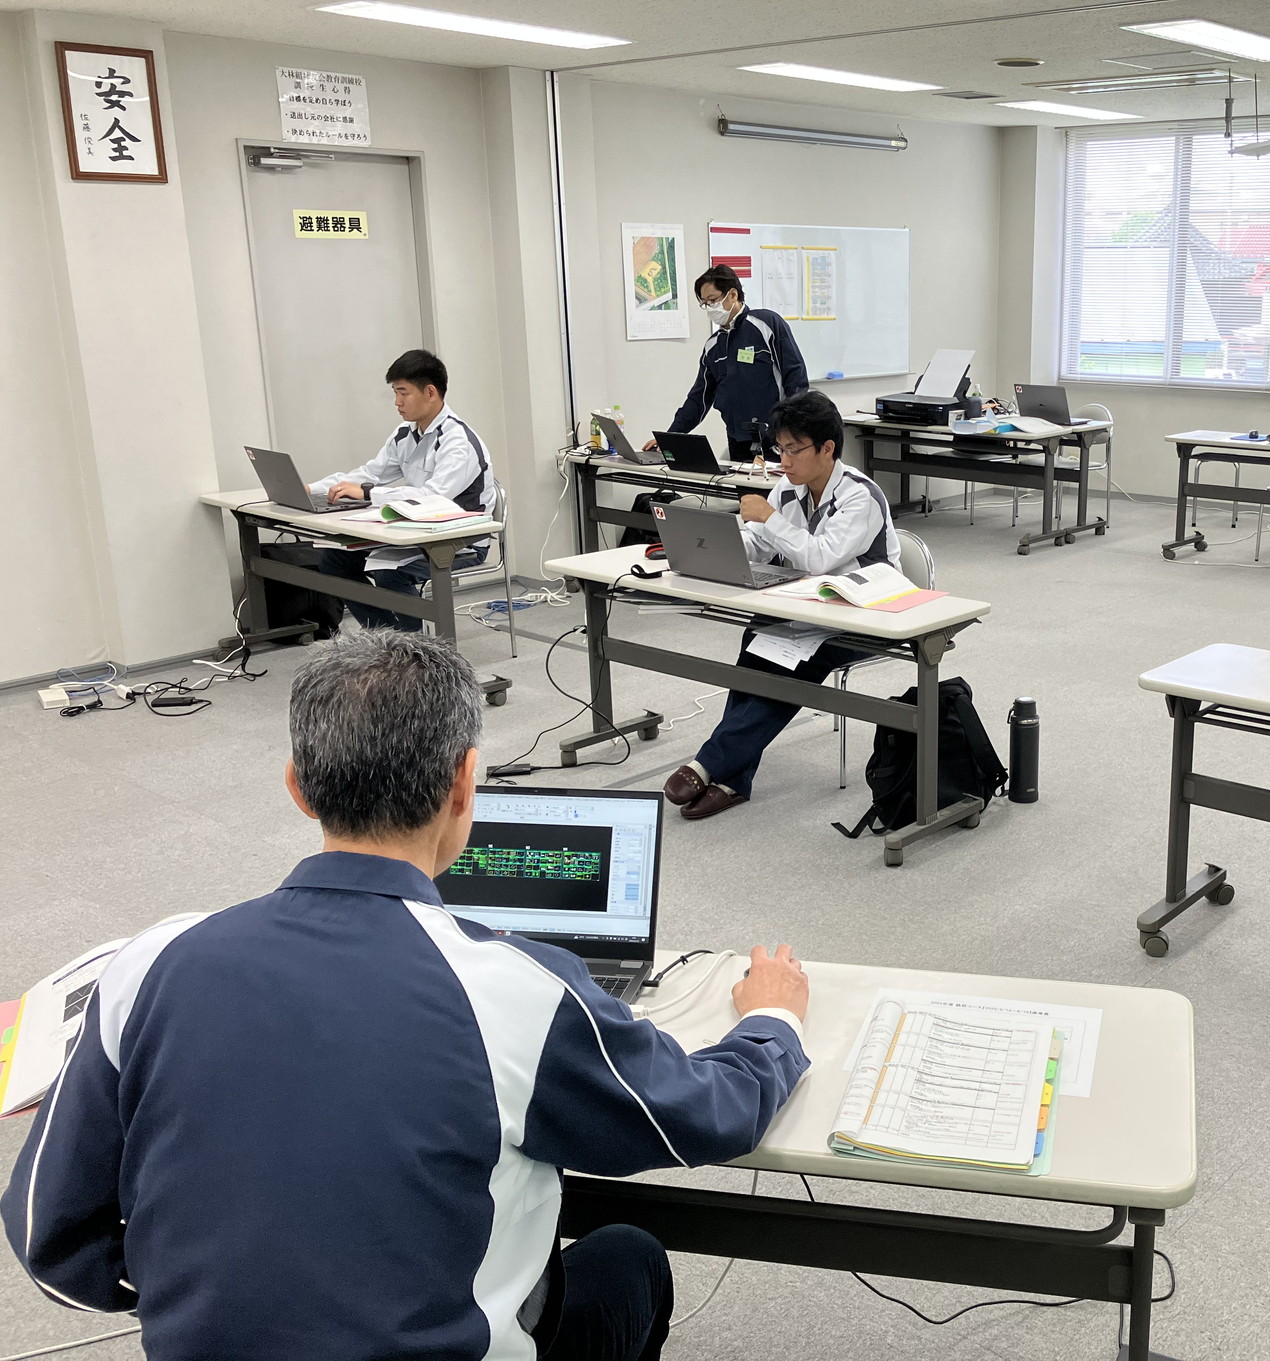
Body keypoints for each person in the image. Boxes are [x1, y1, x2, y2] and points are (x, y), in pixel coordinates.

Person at [2, 632, 810, 1360]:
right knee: (629, 1258)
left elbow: (48, 1234)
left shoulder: (145, 964)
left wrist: (201, 1301)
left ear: (297, 787)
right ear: (464, 783)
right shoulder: (517, 991)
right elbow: (709, 1114)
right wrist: (771, 1016)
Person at [663, 390, 900, 820]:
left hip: (864, 615)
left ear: (827, 448)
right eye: (780, 449)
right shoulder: (789, 489)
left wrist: (768, 518)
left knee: (796, 665)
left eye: (794, 449)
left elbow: (820, 557)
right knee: (756, 640)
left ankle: (710, 764)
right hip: (808, 607)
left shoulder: (859, 496)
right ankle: (734, 778)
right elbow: (759, 543)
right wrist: (714, 545)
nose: (784, 461)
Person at [312, 349, 498, 631]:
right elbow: (370, 473)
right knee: (335, 560)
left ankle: (412, 649)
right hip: (414, 533)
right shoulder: (405, 434)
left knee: (390, 572)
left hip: (459, 540)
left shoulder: (458, 442)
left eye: (403, 393)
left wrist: (367, 493)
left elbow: (433, 498)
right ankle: (386, 637)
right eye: (395, 393)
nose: (397, 402)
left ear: (430, 392)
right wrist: (312, 488)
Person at [643, 265, 808, 461]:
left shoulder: (766, 324)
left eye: (713, 300)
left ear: (732, 295)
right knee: (740, 483)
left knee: (778, 482)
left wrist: (790, 430)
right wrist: (670, 437)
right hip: (737, 439)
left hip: (776, 438)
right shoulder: (713, 346)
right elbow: (698, 398)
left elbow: (796, 377)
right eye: (705, 303)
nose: (710, 307)